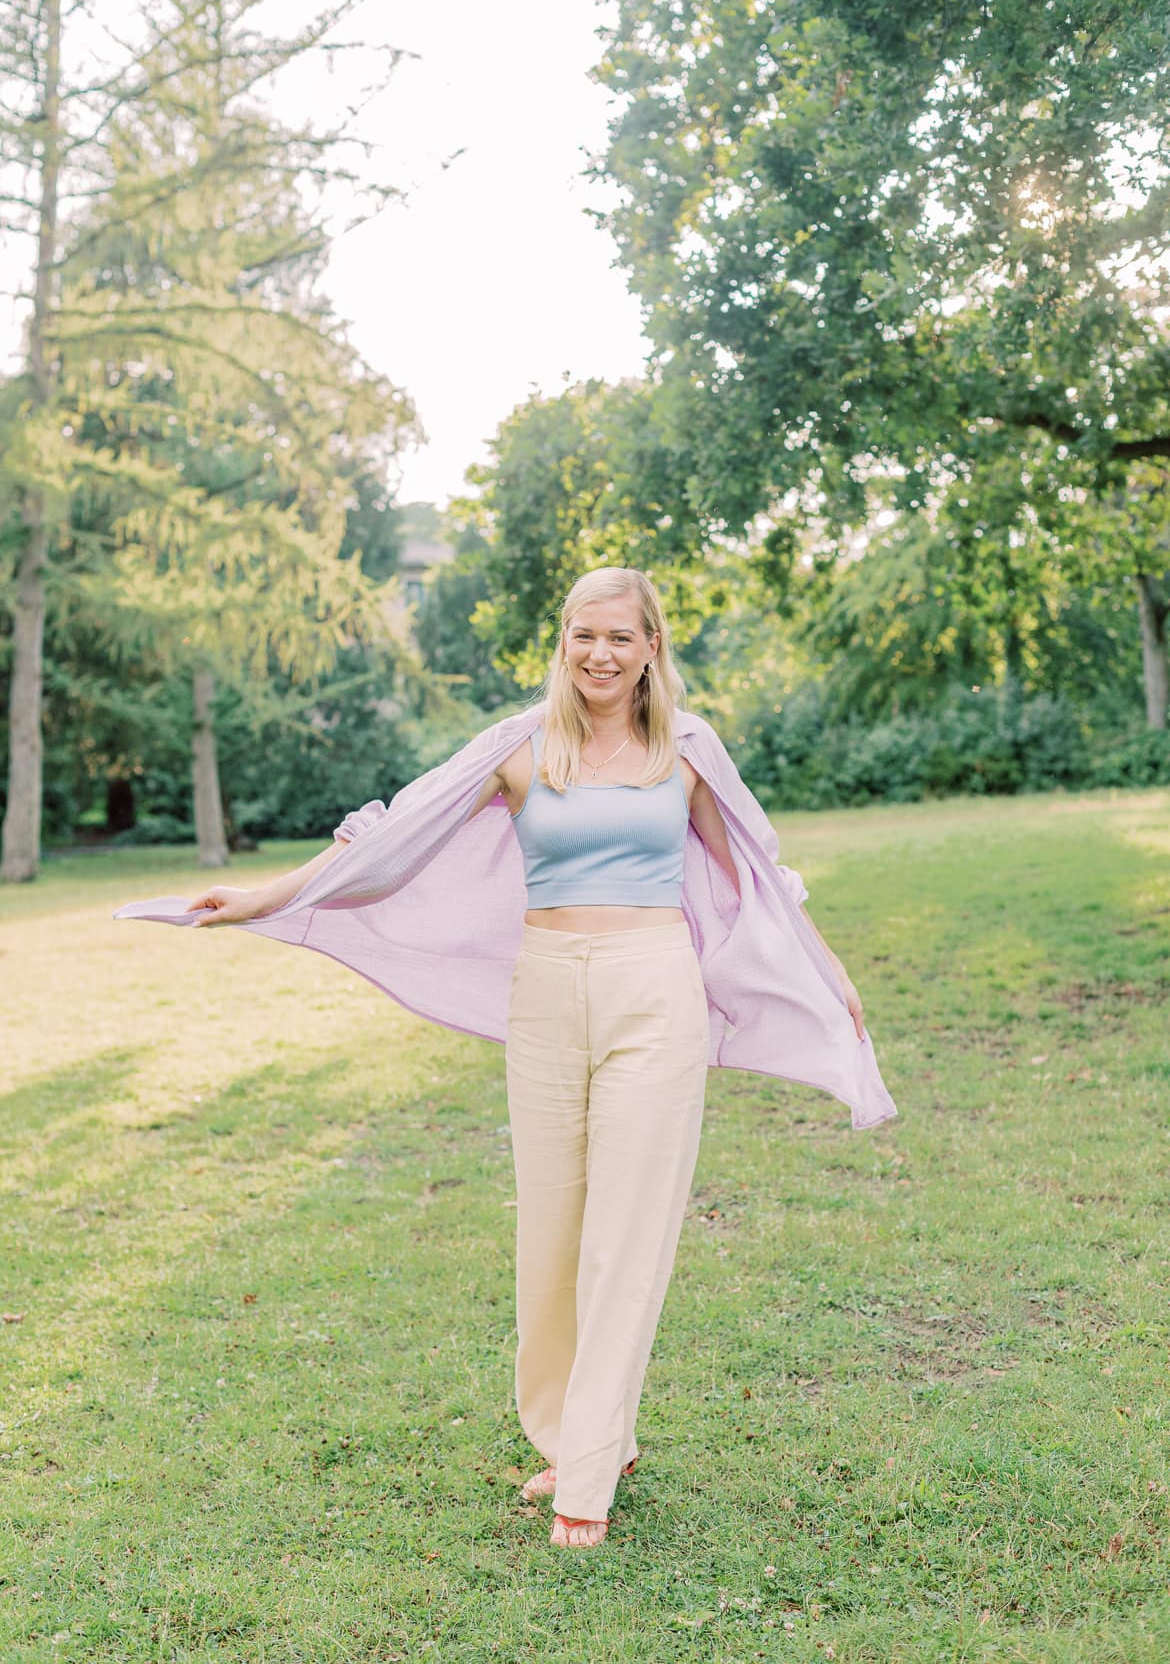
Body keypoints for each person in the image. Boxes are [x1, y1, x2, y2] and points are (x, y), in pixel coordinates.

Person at [115, 565, 895, 1551]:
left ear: (653, 645)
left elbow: (758, 879)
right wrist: (262, 901)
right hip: (546, 994)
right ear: (562, 642)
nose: (601, 654)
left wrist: (829, 975)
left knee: (626, 1235)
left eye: (621, 636)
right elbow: (391, 843)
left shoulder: (689, 751)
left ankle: (588, 1476)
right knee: (553, 1236)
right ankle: (577, 1432)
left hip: (655, 991)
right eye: (584, 635)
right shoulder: (519, 747)